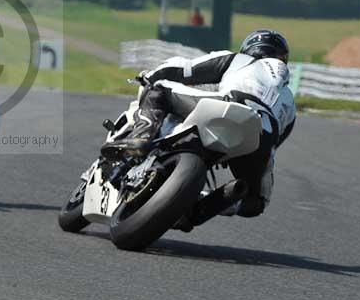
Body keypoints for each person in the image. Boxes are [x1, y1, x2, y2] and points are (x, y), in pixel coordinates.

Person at [108, 29, 295, 219]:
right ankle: (208, 206)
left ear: (249, 48)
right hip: (262, 136)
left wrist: (150, 76)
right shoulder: (290, 102)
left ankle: (142, 135)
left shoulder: (240, 60)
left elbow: (185, 69)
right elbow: (274, 146)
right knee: (253, 202)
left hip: (231, 103)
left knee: (159, 89)